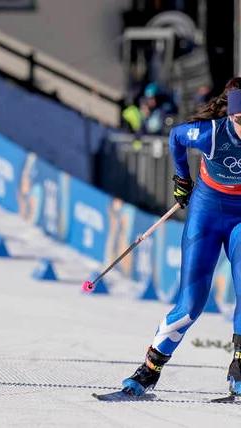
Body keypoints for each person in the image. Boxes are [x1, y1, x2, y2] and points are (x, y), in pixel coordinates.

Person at [120, 77, 241, 396]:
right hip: (208, 211)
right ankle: (149, 370)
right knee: (191, 303)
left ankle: (239, 369)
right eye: (240, 119)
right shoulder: (211, 135)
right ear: (230, 115)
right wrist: (182, 180)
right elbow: (175, 137)